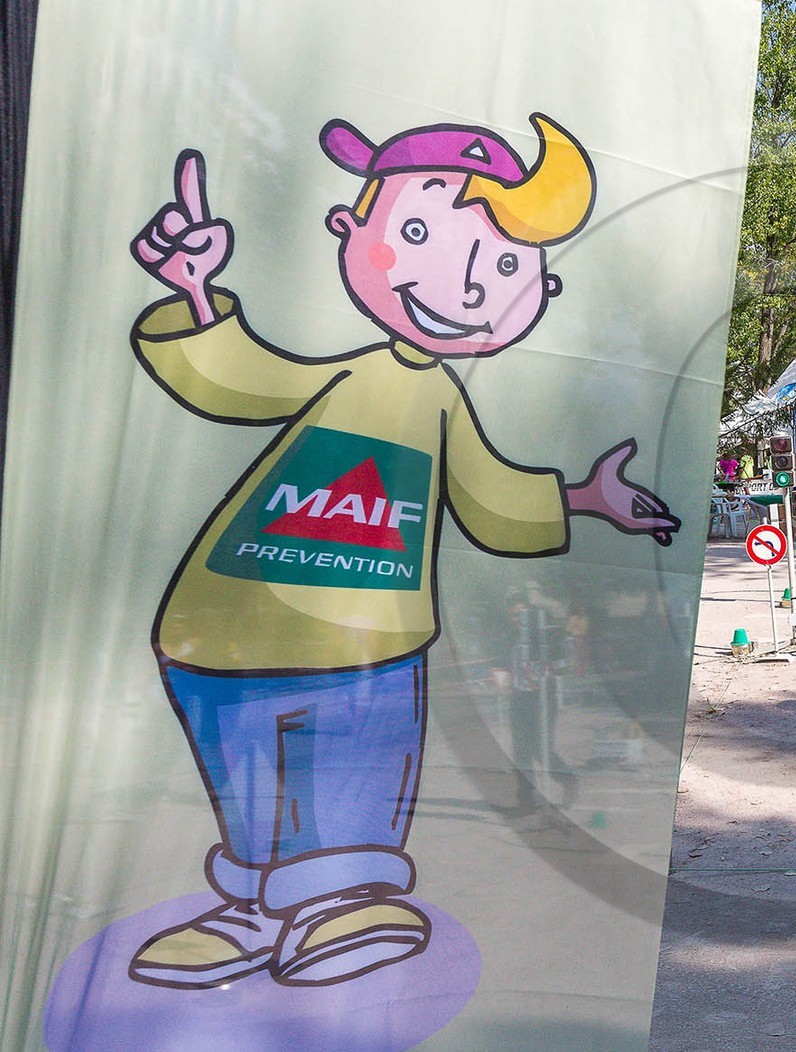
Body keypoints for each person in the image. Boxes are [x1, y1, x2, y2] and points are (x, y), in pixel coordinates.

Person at [123, 118, 678, 987]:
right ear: (351, 230)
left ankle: (341, 900)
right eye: (418, 235)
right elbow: (240, 379)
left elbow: (489, 496)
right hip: (229, 623)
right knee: (247, 777)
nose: (463, 285)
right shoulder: (348, 378)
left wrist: (584, 498)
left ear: (543, 287)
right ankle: (253, 906)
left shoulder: (440, 401)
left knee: (357, 764)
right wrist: (195, 294)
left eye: (503, 266)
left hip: (367, 639)